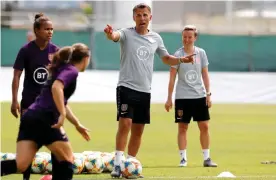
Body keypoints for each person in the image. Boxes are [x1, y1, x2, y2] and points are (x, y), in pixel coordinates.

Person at [104, 3, 195, 178]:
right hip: (126, 87)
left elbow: (166, 58)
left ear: (150, 17)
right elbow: (115, 36)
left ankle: (129, 165)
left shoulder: (156, 38)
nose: (142, 18)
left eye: (145, 15)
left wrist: (181, 60)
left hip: (145, 90)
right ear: (134, 18)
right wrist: (110, 34)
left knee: (138, 129)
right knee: (125, 124)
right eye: (138, 15)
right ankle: (117, 164)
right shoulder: (126, 33)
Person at [1, 43, 91, 180]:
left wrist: (77, 124)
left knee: (21, 164)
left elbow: (61, 101)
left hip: (30, 117)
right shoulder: (72, 71)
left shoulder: (61, 68)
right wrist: (62, 113)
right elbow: (56, 88)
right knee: (67, 160)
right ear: (85, 58)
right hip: (46, 118)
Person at [10, 13, 59, 180]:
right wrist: (14, 100)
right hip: (29, 103)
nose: (50, 32)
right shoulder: (25, 51)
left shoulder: (56, 52)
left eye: (52, 29)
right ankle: (26, 177)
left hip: (50, 106)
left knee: (55, 142)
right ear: (37, 30)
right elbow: (16, 76)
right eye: (46, 29)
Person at [165, 25, 217, 167]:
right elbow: (172, 78)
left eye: (190, 37)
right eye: (184, 37)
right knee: (182, 128)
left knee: (204, 127)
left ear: (195, 38)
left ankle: (207, 158)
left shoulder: (201, 53)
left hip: (199, 97)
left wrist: (208, 94)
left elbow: (205, 75)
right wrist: (169, 98)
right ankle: (183, 159)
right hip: (182, 97)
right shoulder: (177, 55)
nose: (187, 40)